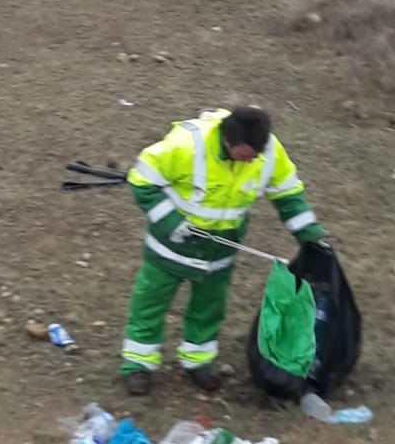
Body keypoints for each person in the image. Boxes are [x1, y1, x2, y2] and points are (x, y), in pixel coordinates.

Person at [119, 104, 324, 394]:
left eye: (257, 154)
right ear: (229, 141)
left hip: (219, 251)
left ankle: (198, 361)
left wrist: (310, 234)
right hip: (170, 246)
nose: (252, 160)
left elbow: (289, 195)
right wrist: (170, 221)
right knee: (150, 302)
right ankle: (138, 364)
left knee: (209, 307)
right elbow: (141, 180)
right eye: (246, 155)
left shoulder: (267, 151)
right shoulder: (186, 145)